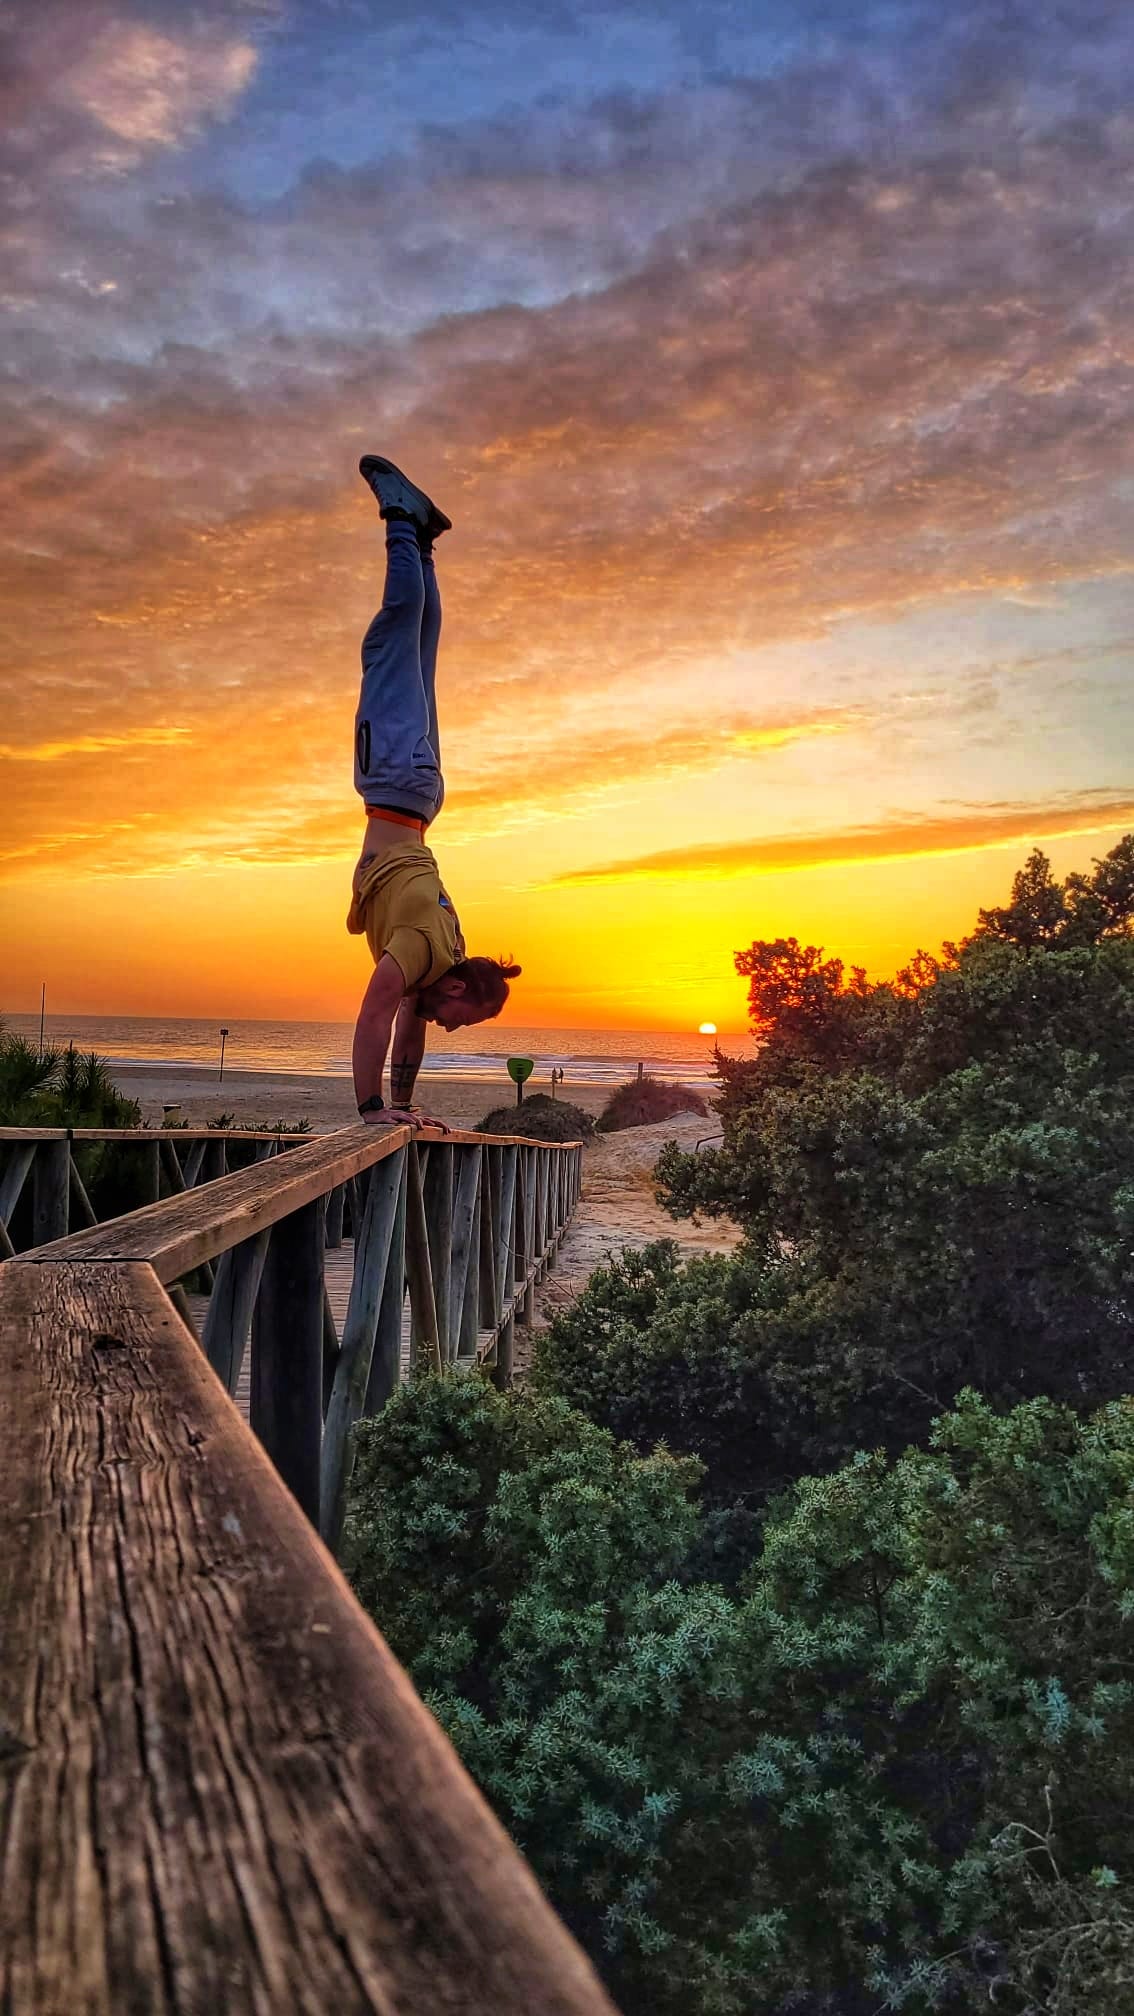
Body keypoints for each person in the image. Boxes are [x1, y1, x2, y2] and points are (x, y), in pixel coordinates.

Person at [347, 455, 520, 1129]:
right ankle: (399, 517)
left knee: (420, 647)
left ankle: (424, 541)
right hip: (391, 781)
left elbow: (410, 1026)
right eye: (461, 1016)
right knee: (392, 639)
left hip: (420, 797)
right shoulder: (423, 946)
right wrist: (371, 1111)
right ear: (454, 985)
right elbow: (376, 1012)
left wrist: (406, 1105)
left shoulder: (444, 947)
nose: (451, 1027)